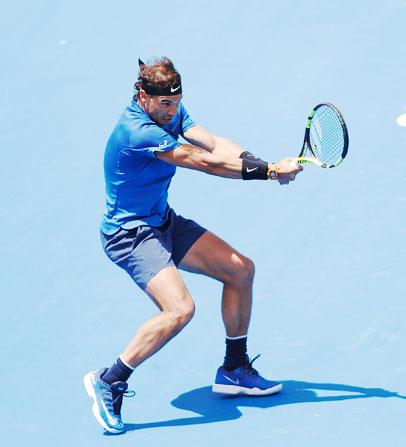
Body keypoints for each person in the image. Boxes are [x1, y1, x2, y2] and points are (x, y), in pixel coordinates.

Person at [83, 57, 303, 434]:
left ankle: (234, 368)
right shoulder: (138, 133)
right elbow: (204, 162)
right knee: (180, 309)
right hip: (130, 235)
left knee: (240, 269)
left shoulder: (168, 110)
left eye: (176, 102)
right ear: (142, 96)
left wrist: (261, 161)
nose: (172, 111)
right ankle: (110, 379)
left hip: (162, 221)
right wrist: (269, 173)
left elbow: (213, 143)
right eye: (165, 104)